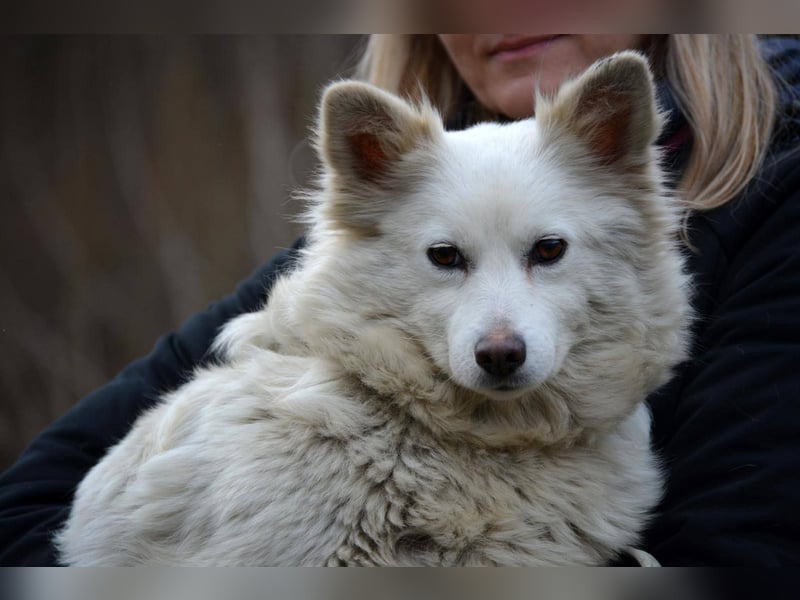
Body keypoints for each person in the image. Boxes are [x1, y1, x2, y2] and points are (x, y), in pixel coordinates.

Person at [1, 33, 799, 566]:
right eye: (447, 257)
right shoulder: (372, 227)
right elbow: (25, 509)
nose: (500, 335)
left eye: (547, 252)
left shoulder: (773, 196)